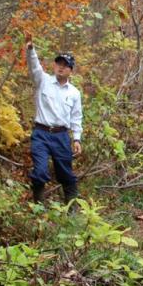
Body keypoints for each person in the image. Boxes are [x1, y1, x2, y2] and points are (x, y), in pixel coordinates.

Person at [25, 33, 83, 207]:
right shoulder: (43, 81)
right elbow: (34, 66)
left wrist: (77, 138)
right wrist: (30, 49)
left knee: (65, 172)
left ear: (71, 70)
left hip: (61, 136)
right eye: (59, 63)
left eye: (66, 66)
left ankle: (72, 207)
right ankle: (38, 207)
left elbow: (76, 117)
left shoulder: (74, 93)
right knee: (40, 170)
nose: (61, 67)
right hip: (41, 133)